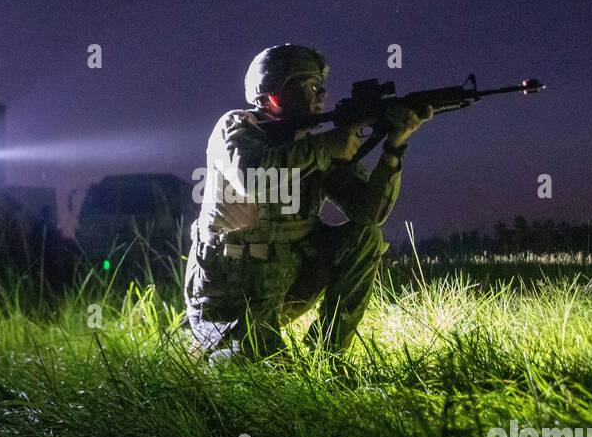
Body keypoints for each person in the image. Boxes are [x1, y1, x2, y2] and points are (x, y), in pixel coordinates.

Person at [184, 44, 431, 360]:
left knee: (365, 238)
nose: (322, 95)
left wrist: (394, 148)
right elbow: (253, 179)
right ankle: (214, 345)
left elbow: (368, 214)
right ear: (276, 89)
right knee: (265, 381)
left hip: (287, 284)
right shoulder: (238, 127)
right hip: (230, 294)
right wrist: (326, 147)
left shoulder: (314, 142)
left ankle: (328, 358)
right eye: (312, 85)